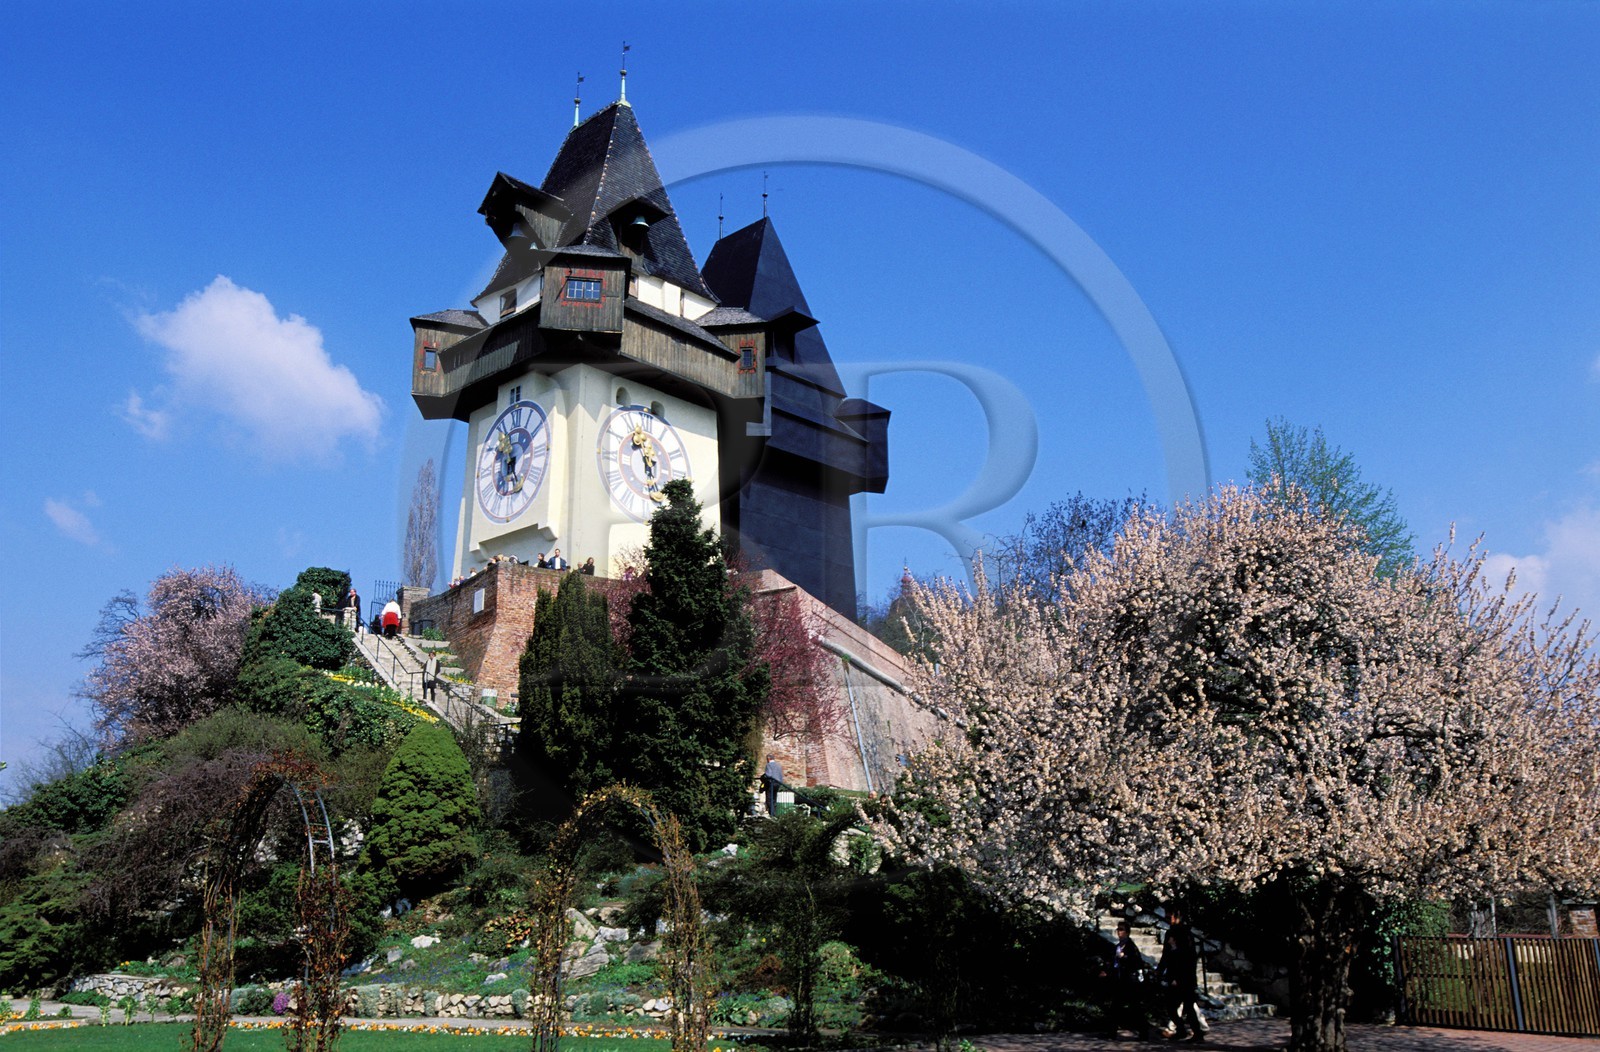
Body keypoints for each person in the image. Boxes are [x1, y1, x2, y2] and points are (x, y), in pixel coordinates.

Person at [1157, 906, 1206, 1043]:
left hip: (1185, 978)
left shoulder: (1185, 934)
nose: (1169, 919)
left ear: (1177, 917)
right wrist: (1160, 972)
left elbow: (1189, 958)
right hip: (1174, 977)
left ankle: (1197, 1033)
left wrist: (1180, 978)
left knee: (1189, 1007)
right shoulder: (1170, 933)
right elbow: (1165, 956)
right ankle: (1181, 1030)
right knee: (1171, 1007)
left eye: (1170, 916)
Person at [1101, 921, 1152, 1040]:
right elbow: (1114, 963)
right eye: (1118, 930)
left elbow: (1136, 962)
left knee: (1135, 1007)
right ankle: (1111, 1033)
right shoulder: (1118, 947)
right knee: (1115, 1007)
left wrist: (1125, 957)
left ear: (1127, 932)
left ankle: (1143, 1032)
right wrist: (1107, 972)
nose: (1119, 932)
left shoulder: (1131, 947)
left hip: (1130, 982)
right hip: (1120, 981)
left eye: (1122, 930)